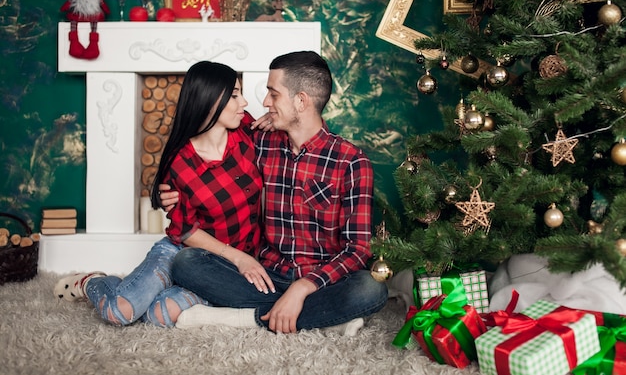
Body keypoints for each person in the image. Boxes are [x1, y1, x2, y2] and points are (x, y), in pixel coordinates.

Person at [159, 51, 388, 335]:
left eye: (273, 94)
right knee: (186, 262)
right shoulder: (259, 139)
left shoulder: (351, 162)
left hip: (319, 279)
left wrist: (303, 287)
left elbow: (358, 250)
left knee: (371, 288)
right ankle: (321, 317)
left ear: (301, 100)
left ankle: (247, 317)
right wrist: (169, 192)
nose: (265, 102)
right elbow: (206, 147)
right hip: (266, 272)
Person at [53, 60, 271, 327]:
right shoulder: (180, 163)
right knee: (119, 312)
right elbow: (186, 232)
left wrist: (277, 118)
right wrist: (239, 257)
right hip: (181, 252)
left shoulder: (247, 132)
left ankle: (166, 291)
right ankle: (90, 282)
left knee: (159, 316)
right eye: (235, 95)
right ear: (211, 100)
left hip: (217, 268)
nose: (245, 103)